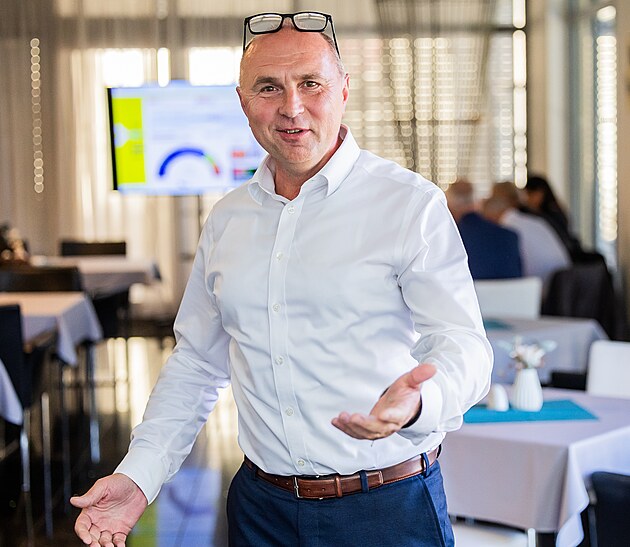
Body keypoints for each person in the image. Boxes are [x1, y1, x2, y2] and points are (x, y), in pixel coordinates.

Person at [71, 12, 492, 547]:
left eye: (311, 83)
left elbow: (465, 347)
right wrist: (138, 477)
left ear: (344, 90)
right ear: (243, 102)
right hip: (260, 510)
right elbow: (197, 362)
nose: (292, 107)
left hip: (386, 509)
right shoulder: (227, 219)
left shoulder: (410, 205)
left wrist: (419, 404)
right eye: (269, 87)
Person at [483, 181, 571, 286]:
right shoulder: (536, 221)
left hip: (540, 288)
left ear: (490, 216)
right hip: (564, 285)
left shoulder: (506, 231)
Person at [445, 179, 522, 279]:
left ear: (450, 207)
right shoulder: (509, 236)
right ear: (476, 203)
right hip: (511, 289)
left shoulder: (448, 240)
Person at [523, 174, 583, 260]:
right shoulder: (552, 210)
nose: (527, 199)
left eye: (530, 194)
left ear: (540, 193)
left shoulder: (550, 214)